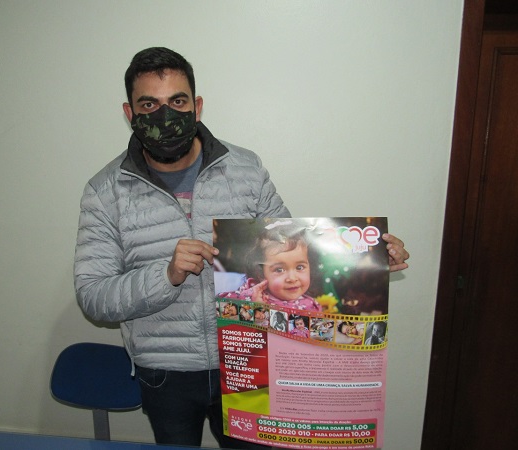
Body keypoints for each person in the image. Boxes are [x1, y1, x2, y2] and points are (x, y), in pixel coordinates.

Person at [74, 46, 410, 448]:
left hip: (249, 359)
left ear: (197, 106)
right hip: (165, 373)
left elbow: (290, 247)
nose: (165, 114)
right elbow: (93, 296)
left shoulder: (245, 169)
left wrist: (367, 258)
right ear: (130, 113)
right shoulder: (105, 191)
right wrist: (166, 275)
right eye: (149, 105)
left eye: (177, 101)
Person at [219, 219, 322, 311]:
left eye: (300, 267)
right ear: (261, 273)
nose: (292, 278)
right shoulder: (254, 295)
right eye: (279, 270)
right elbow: (221, 308)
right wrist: (251, 304)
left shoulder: (312, 305)